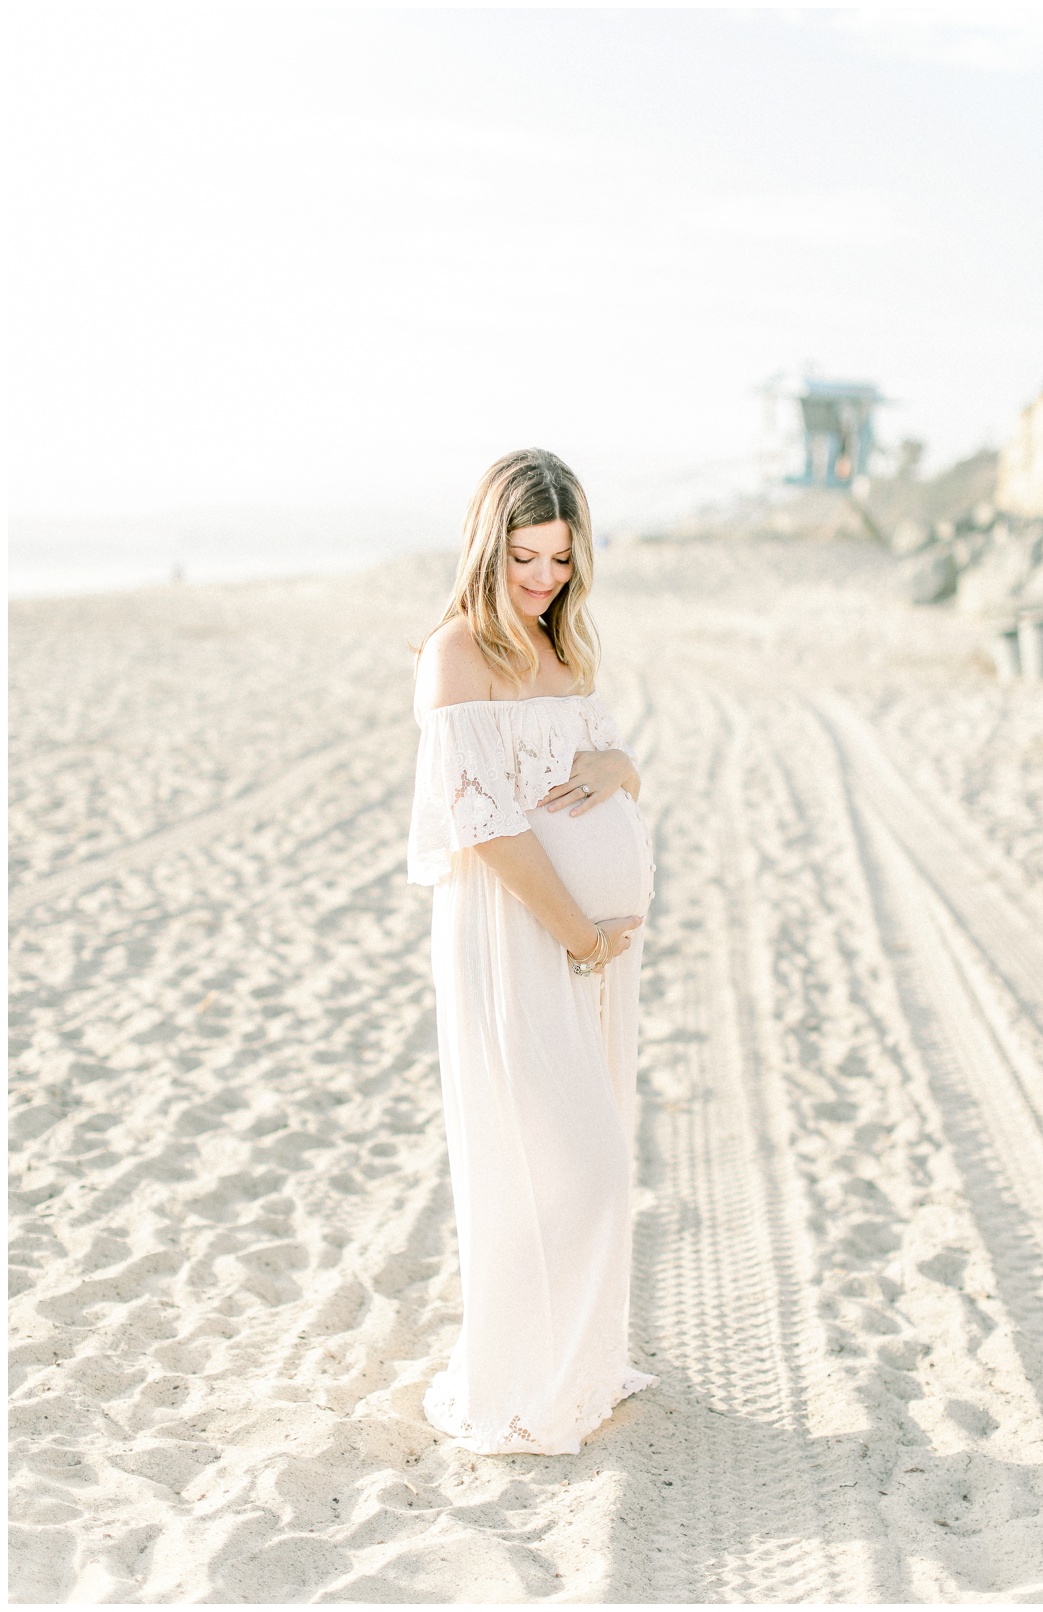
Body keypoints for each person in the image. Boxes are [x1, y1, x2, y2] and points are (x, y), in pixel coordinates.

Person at [407, 447, 656, 1455]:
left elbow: (609, 772)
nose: (544, 578)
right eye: (524, 557)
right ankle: (520, 1377)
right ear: (487, 547)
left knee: (591, 1158)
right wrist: (579, 933)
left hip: (593, 948)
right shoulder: (457, 652)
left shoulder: (567, 647)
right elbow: (485, 827)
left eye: (559, 557)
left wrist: (617, 765)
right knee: (563, 1165)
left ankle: (580, 1369)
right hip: (518, 935)